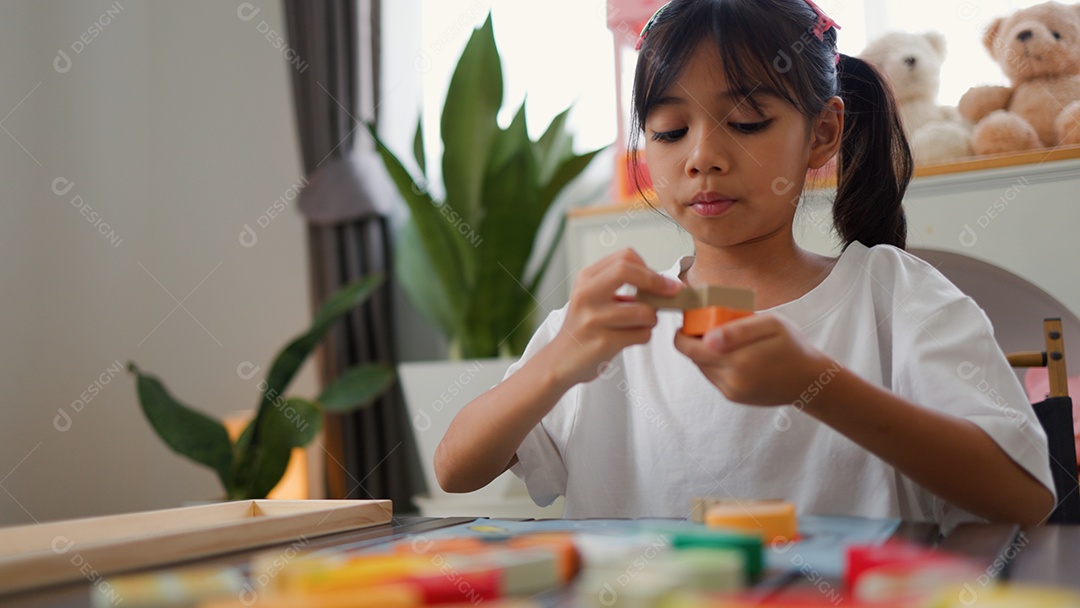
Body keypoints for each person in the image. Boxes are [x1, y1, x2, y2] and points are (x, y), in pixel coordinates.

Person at [434, 0, 1055, 528]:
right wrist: (556, 362)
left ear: (822, 132)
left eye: (749, 121)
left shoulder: (893, 295)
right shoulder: (610, 322)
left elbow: (1024, 496)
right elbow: (456, 469)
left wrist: (816, 385)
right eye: (671, 131)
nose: (703, 156)